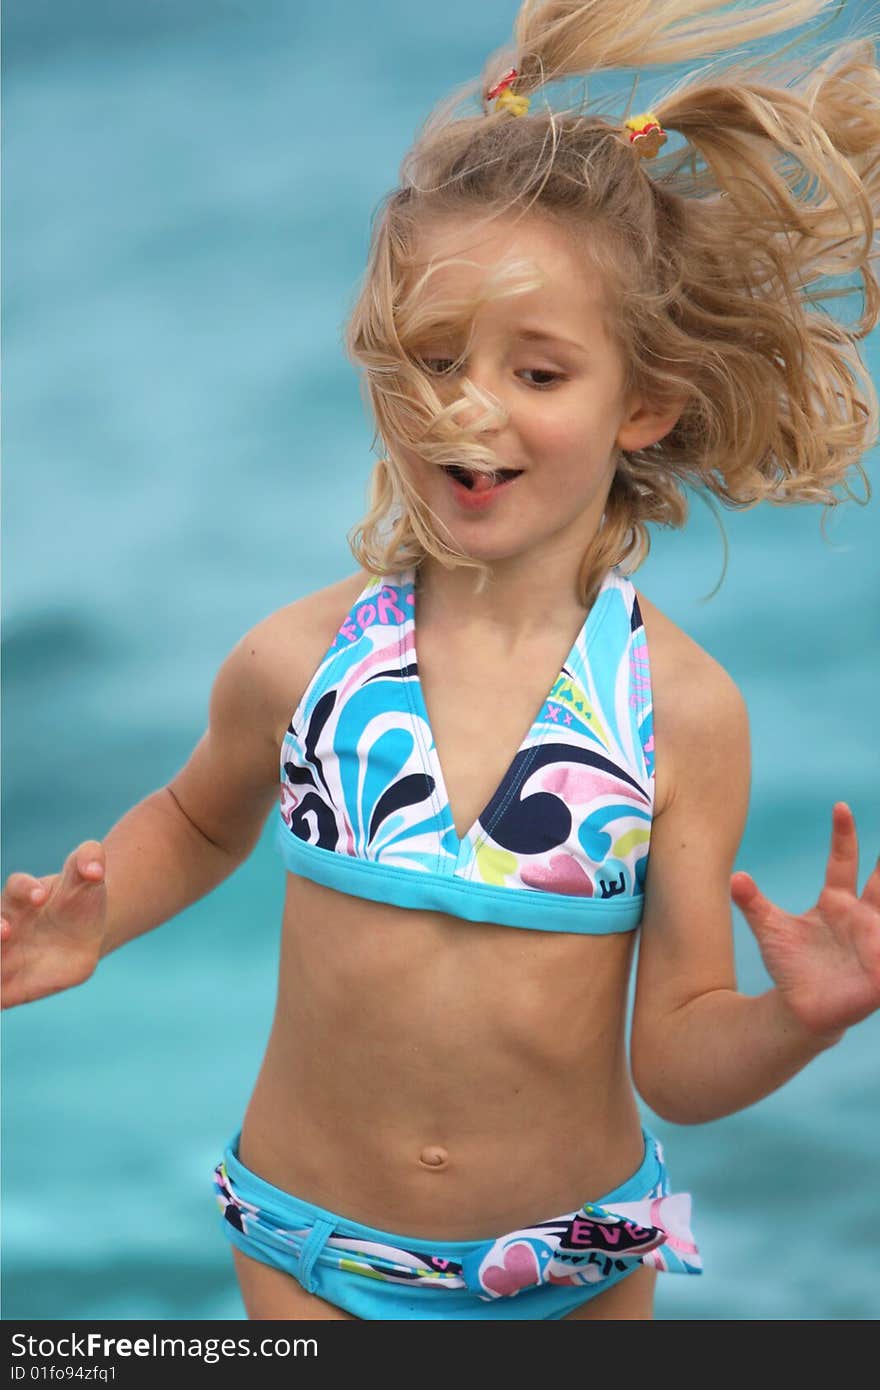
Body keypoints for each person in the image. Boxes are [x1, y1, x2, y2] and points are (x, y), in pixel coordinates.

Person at [3, 0, 880, 1321]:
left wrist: (797, 1017)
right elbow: (196, 817)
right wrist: (95, 920)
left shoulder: (677, 710)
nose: (471, 405)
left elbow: (680, 1054)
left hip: (577, 1271)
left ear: (643, 401)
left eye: (538, 370)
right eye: (433, 357)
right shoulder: (301, 661)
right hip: (310, 1253)